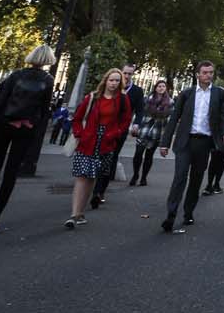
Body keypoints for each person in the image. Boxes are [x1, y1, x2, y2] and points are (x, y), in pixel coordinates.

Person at [0, 45, 56, 235]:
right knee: (11, 173)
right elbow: (44, 110)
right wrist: (35, 130)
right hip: (26, 129)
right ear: (49, 60)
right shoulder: (48, 80)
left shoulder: (16, 76)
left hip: (4, 124)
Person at [159, 61, 224, 233]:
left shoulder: (219, 94)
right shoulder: (187, 93)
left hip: (204, 143)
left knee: (196, 180)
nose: (209, 75)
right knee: (179, 178)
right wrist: (165, 143)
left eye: (211, 72)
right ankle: (171, 215)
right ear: (198, 75)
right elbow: (174, 119)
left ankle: (188, 213)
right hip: (185, 142)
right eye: (205, 72)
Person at [65, 68, 132, 229]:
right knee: (82, 177)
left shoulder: (122, 99)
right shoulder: (93, 97)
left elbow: (126, 120)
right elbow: (77, 118)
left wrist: (115, 133)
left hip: (106, 143)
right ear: (105, 80)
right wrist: (79, 133)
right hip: (88, 141)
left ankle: (80, 212)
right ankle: (74, 214)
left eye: (117, 80)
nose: (114, 83)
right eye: (111, 80)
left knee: (91, 178)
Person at [91, 63, 144, 207]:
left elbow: (139, 110)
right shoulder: (109, 88)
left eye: (130, 74)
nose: (127, 76)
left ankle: (99, 191)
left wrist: (136, 124)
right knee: (96, 157)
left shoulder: (137, 91)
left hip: (119, 131)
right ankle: (92, 186)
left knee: (111, 159)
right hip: (100, 129)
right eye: (125, 73)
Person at [130, 79, 172, 186]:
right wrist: (136, 125)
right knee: (138, 154)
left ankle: (144, 177)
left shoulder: (170, 102)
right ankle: (135, 175)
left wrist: (165, 136)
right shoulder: (148, 99)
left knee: (149, 156)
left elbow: (169, 119)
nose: (161, 88)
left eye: (163, 86)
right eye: (159, 86)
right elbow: (140, 113)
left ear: (165, 88)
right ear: (155, 88)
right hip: (144, 129)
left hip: (157, 131)